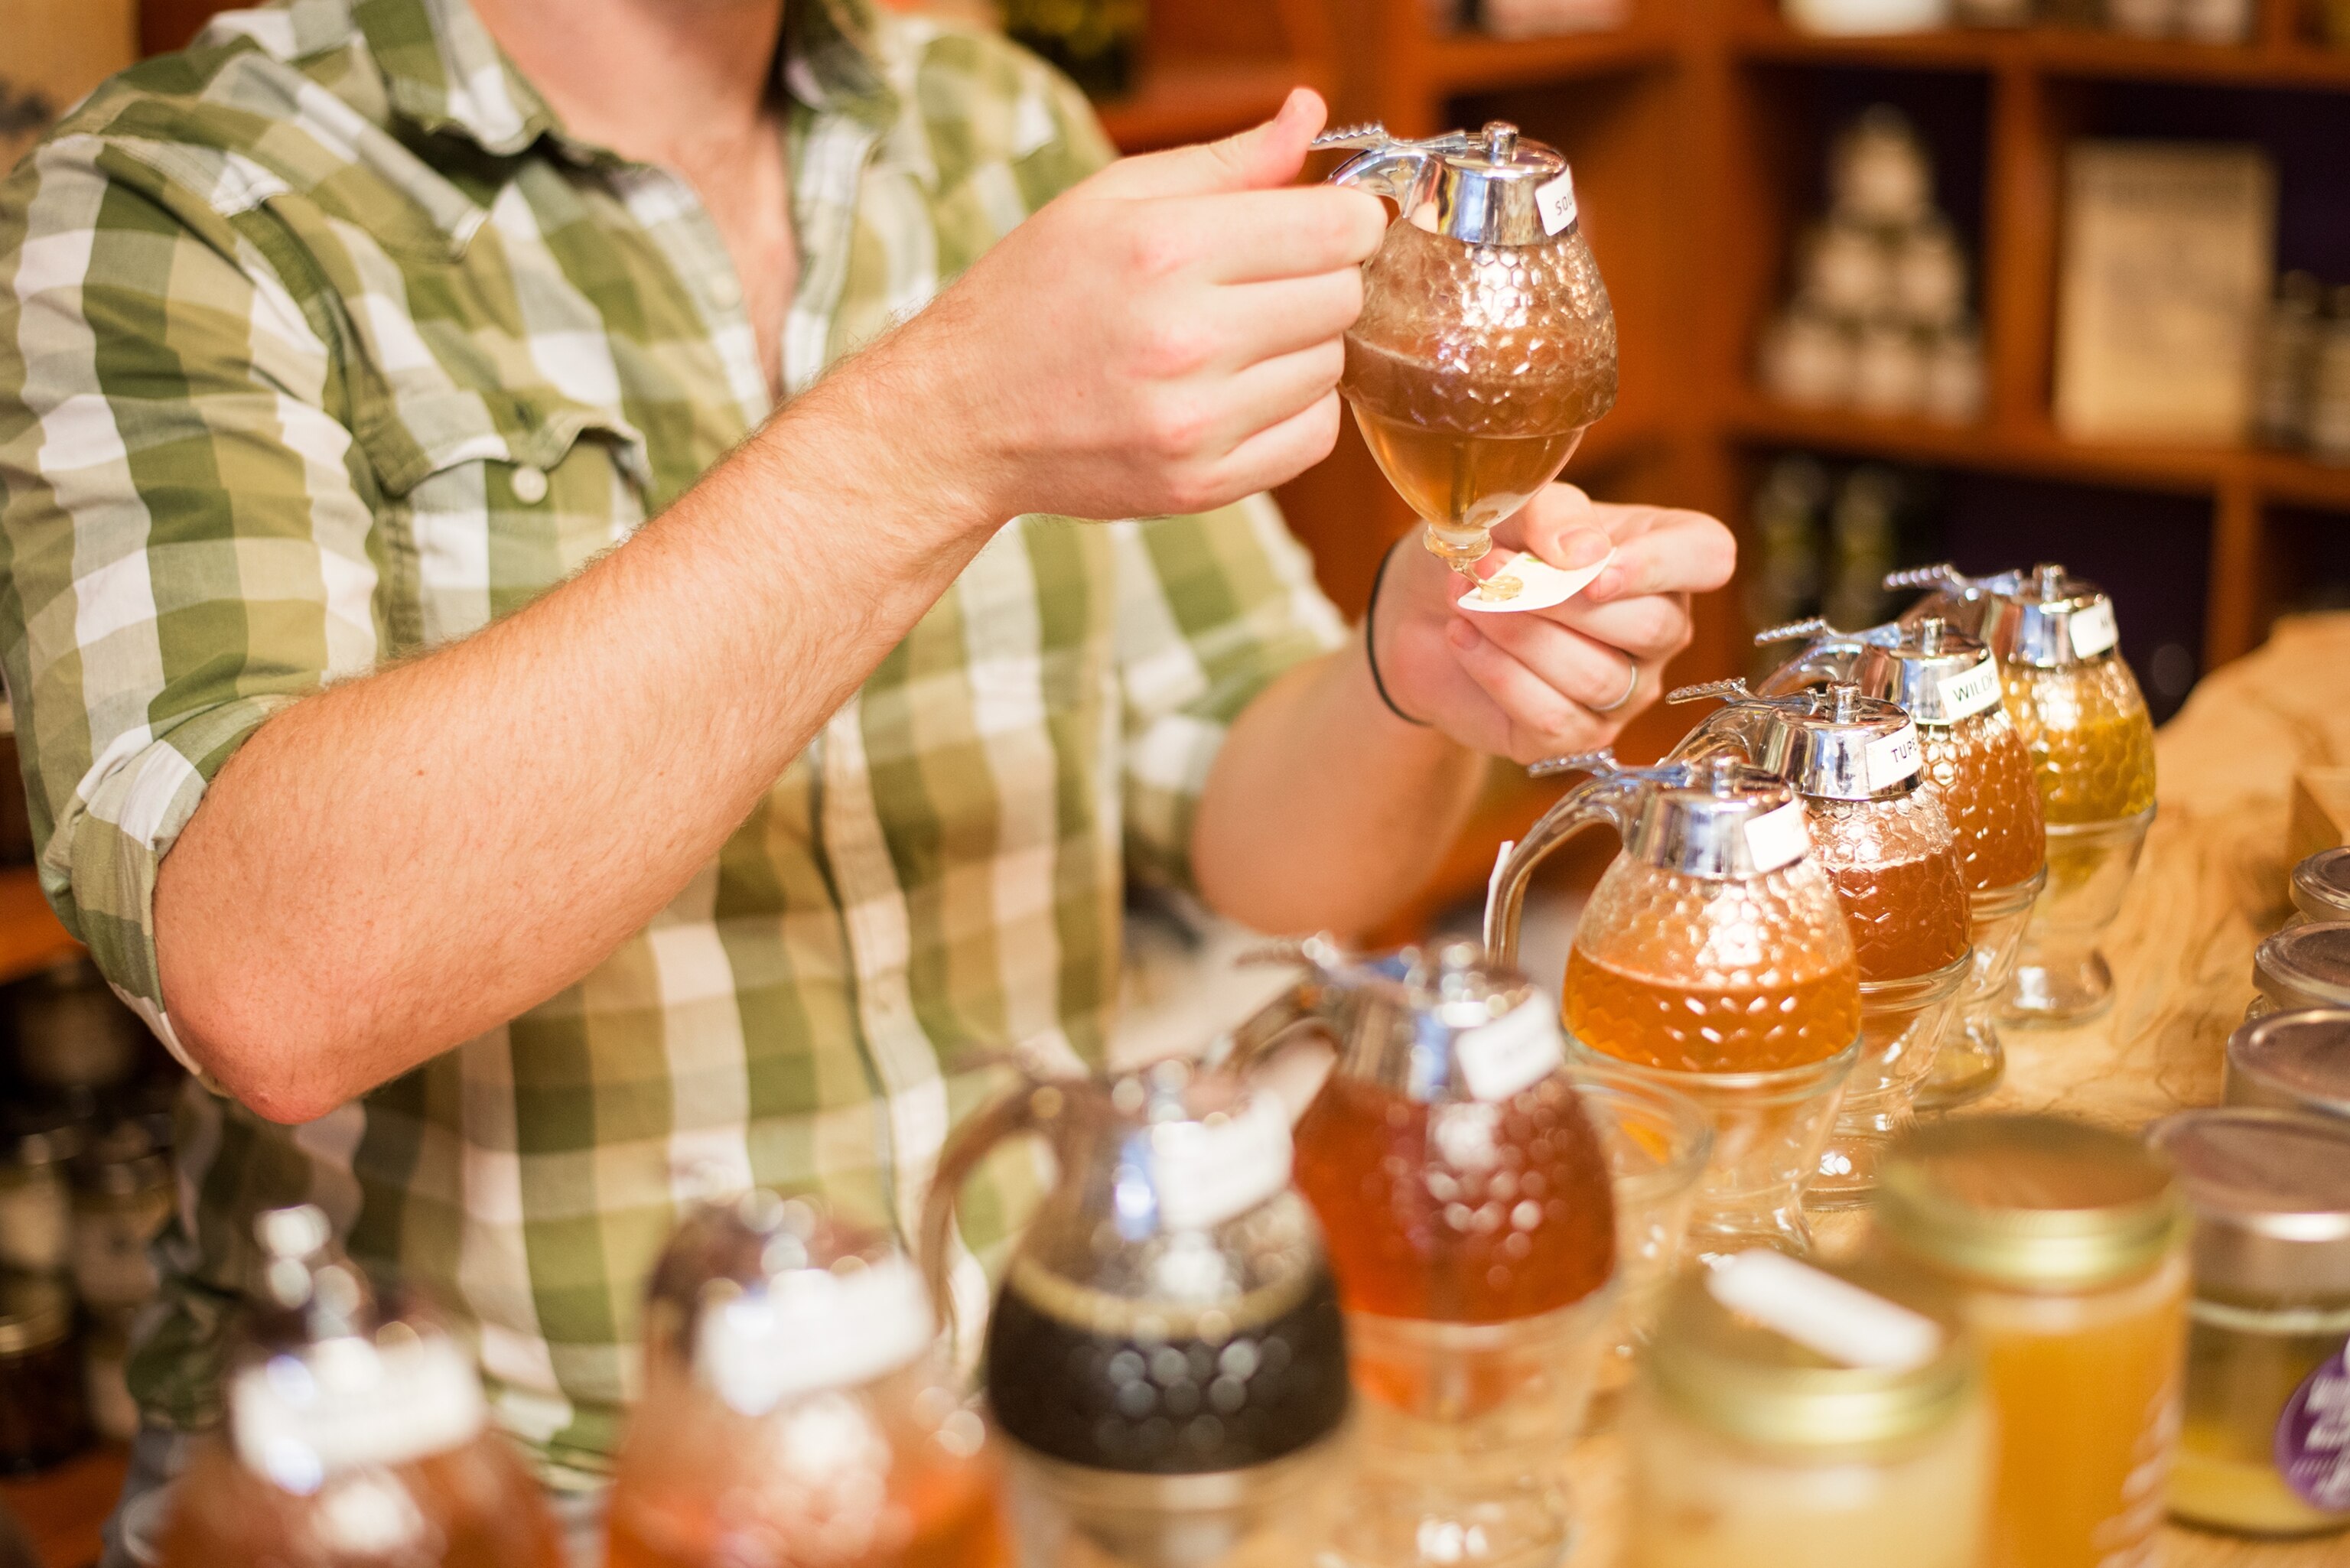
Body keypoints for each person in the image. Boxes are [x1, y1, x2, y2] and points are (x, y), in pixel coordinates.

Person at [0, 0, 1733, 1552]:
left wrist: (1405, 678)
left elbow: (1259, 838)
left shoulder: (999, 129)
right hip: (494, 1506)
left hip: (1029, 1440)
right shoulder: (187, 195)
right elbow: (269, 970)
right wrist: (940, 427)